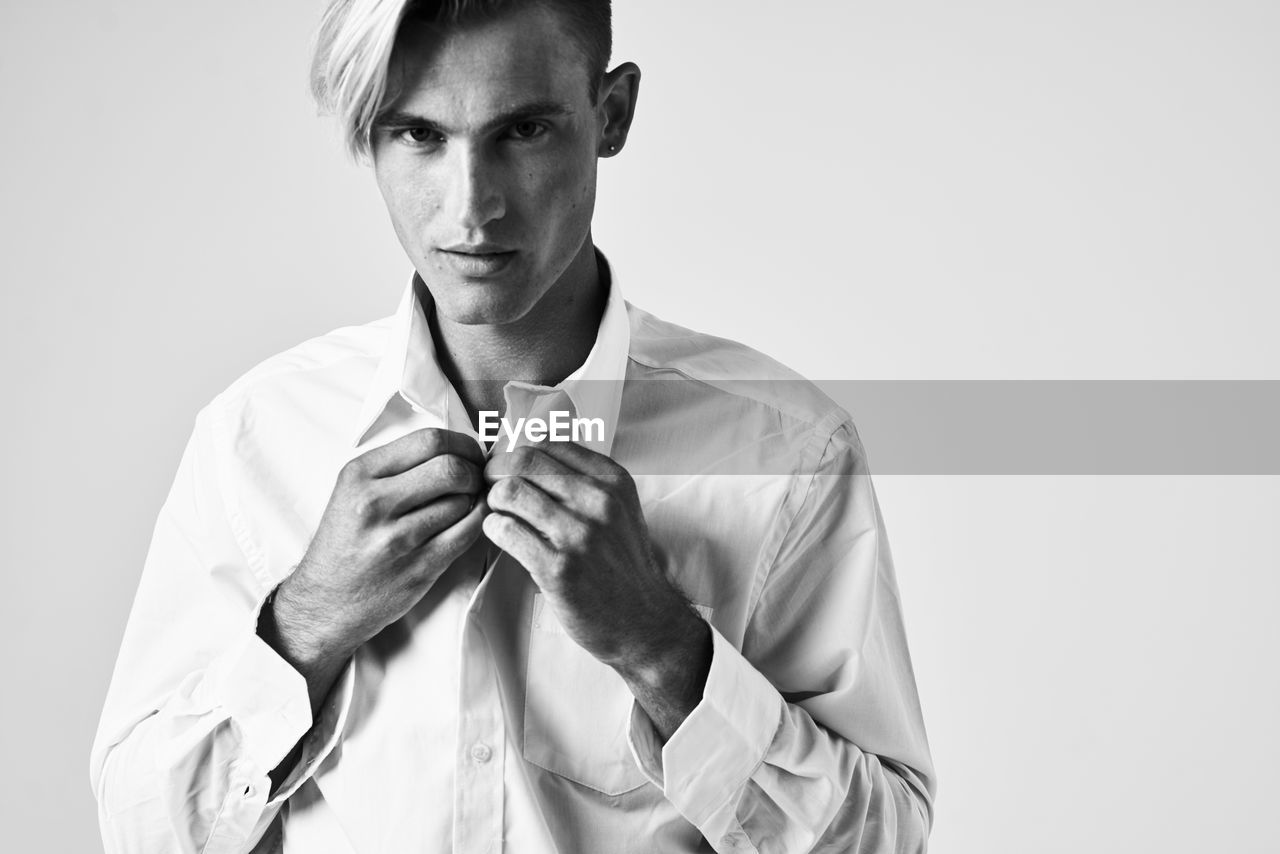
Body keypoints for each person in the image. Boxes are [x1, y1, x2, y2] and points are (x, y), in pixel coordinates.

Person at [90, 1, 936, 851]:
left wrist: (664, 649)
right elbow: (141, 832)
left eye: (523, 130)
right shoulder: (258, 437)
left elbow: (883, 838)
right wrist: (305, 627)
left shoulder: (786, 450)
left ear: (612, 115)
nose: (471, 209)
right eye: (417, 135)